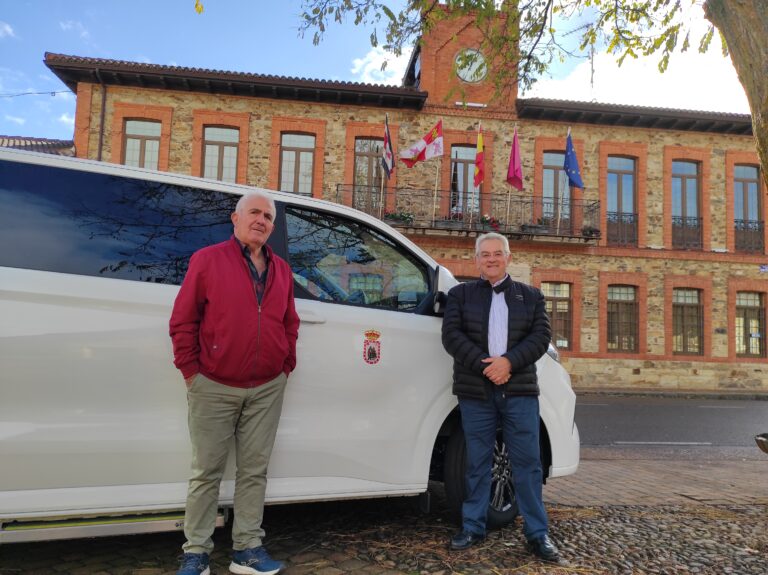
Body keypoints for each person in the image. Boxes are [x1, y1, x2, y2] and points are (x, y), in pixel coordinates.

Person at [169, 190, 300, 575]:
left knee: (254, 471)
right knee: (206, 472)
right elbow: (182, 321)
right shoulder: (207, 261)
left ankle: (247, 549)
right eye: (255, 213)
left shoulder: (282, 270)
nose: (262, 220)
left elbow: (289, 322)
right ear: (236, 218)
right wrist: (192, 373)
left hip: (266, 387)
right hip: (213, 383)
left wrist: (285, 363)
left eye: (268, 217)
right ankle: (196, 552)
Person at [441, 232, 561, 564]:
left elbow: (540, 337)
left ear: (508, 257)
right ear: (476, 259)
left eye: (497, 253)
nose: (491, 259)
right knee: (477, 464)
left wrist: (508, 362)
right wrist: (488, 366)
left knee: (528, 465)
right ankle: (473, 527)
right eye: (485, 254)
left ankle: (538, 534)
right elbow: (451, 336)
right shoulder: (460, 295)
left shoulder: (531, 296)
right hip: (476, 391)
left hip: (519, 391)